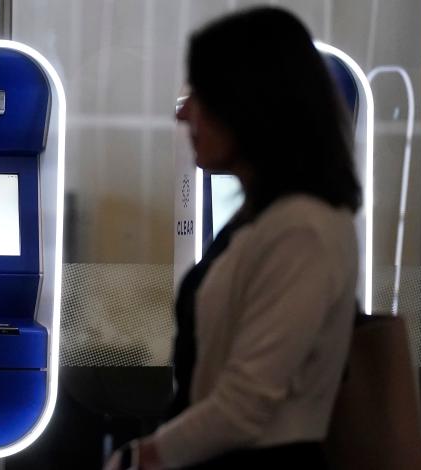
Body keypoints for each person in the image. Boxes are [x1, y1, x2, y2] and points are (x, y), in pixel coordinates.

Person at [105, 6, 361, 469]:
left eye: (202, 97)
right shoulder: (264, 217)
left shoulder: (302, 230)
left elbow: (244, 405)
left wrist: (142, 458)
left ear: (250, 105)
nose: (185, 115)